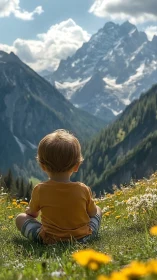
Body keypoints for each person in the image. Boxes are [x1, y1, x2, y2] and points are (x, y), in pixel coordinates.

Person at [15, 129, 102, 244]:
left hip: (51, 239)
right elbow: (92, 213)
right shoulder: (83, 189)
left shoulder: (40, 189)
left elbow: (33, 214)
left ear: (42, 166)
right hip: (83, 238)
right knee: (98, 210)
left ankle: (40, 238)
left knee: (20, 218)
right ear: (76, 166)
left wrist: (29, 210)